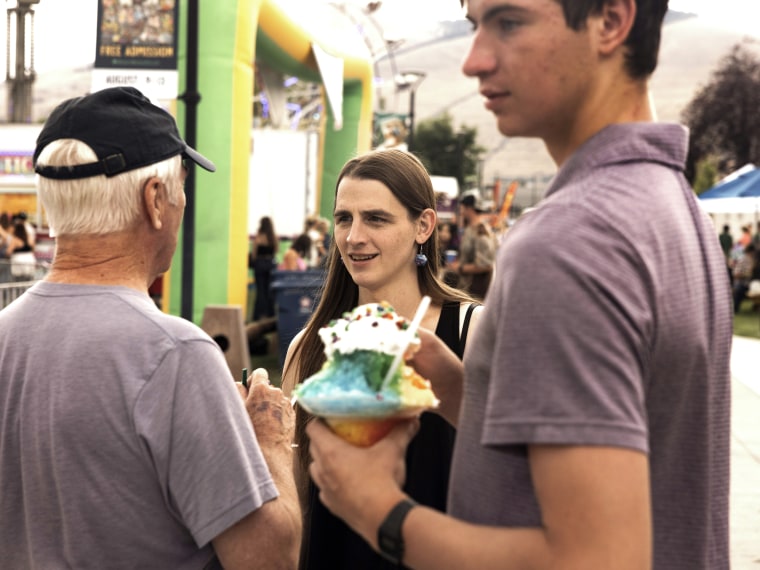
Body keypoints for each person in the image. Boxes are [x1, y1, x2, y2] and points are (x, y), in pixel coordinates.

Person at [304, 2, 732, 569]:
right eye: (474, 23)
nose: (473, 60)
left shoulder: (568, 241)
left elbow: (596, 559)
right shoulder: (674, 209)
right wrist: (462, 389)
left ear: (611, 21)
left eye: (508, 21)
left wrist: (376, 509)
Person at [0, 86, 301, 569]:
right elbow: (269, 557)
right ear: (156, 200)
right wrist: (269, 441)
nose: (182, 205)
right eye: (183, 187)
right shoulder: (173, 353)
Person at [281, 148, 482, 569]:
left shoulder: (471, 331)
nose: (354, 236)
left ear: (423, 225)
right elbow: (297, 495)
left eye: (376, 218)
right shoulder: (309, 346)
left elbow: (514, 468)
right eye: (343, 218)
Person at [451, 192, 497, 299]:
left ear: (469, 208)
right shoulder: (470, 229)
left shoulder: (481, 231)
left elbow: (486, 265)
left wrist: (460, 268)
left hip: (476, 292)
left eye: (462, 207)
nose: (461, 211)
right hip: (467, 289)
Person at [249, 215, 279, 321]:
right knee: (269, 290)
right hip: (270, 264)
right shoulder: (273, 237)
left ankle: (258, 315)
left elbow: (254, 254)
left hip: (260, 264)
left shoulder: (259, 237)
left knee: (260, 290)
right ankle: (271, 314)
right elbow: (276, 250)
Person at [732, 243, 756, 312]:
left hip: (749, 283)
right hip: (741, 284)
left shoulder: (752, 260)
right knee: (739, 289)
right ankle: (735, 308)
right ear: (751, 252)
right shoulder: (743, 259)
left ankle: (756, 306)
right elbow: (736, 274)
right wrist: (746, 274)